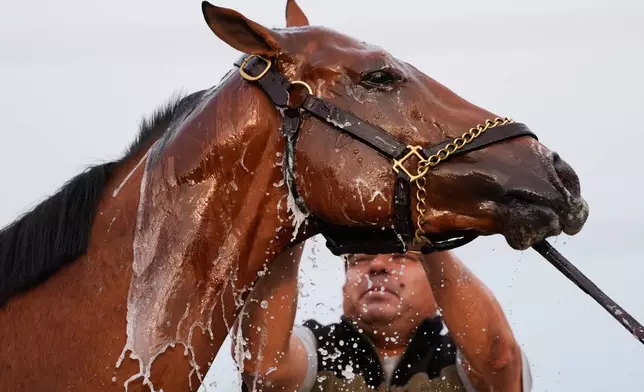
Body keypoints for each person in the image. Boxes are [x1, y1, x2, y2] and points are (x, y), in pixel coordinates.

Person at [231, 243, 532, 391]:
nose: (376, 266)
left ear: (437, 282)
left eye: (402, 255)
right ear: (344, 282)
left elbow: (499, 360)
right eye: (359, 259)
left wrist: (428, 234)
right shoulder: (316, 346)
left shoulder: (458, 356)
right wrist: (291, 229)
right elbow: (262, 367)